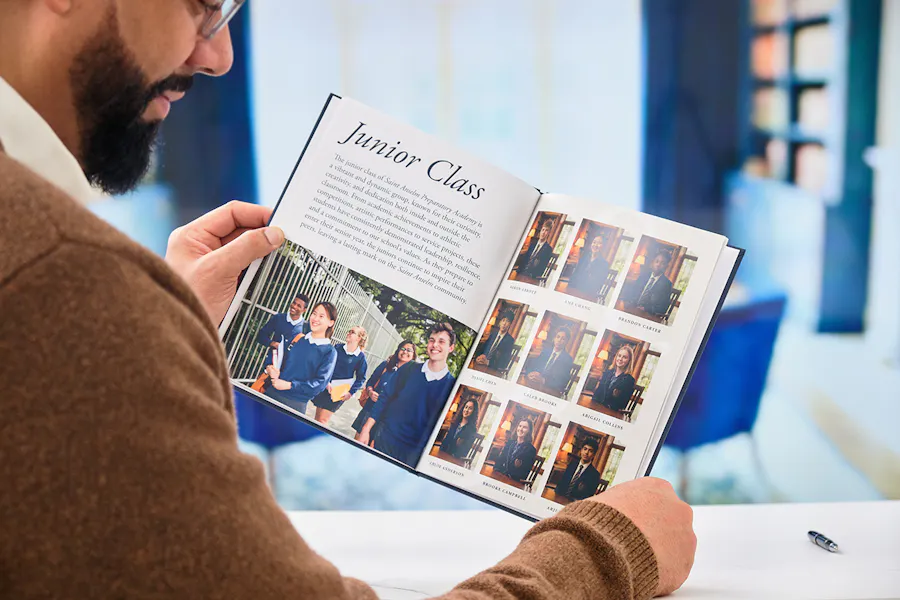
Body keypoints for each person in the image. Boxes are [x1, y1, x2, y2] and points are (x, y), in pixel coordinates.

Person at [0, 2, 697, 597]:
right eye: (204, 5)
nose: (218, 56)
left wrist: (158, 334)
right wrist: (608, 551)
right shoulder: (60, 273)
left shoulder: (55, 278)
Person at [357, 323, 457, 467]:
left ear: (451, 348)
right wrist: (366, 430)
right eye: (431, 340)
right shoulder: (408, 369)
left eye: (441, 341)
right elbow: (384, 399)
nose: (435, 345)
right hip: (385, 441)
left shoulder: (451, 386)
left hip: (412, 455)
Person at [263, 301, 338, 415]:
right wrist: (270, 369)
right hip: (271, 393)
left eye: (321, 316)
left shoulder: (329, 352)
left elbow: (319, 384)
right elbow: (275, 357)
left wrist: (289, 385)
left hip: (293, 405)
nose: (315, 318)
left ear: (331, 322)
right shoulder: (297, 338)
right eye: (314, 313)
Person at [351, 340, 417, 439]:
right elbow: (370, 382)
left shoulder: (412, 376)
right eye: (402, 349)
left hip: (387, 417)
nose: (405, 352)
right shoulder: (386, 365)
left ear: (413, 355)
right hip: (370, 409)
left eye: (409, 350)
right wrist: (370, 392)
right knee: (358, 440)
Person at [312, 326, 368, 425]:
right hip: (326, 387)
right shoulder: (337, 348)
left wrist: (350, 393)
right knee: (317, 418)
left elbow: (361, 378)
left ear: (359, 338)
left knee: (322, 421)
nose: (349, 333)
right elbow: (326, 364)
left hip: (339, 393)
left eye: (353, 332)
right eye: (349, 331)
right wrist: (326, 382)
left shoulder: (360, 357)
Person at [256, 292, 311, 366]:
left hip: (290, 368)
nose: (294, 306)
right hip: (271, 364)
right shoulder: (278, 318)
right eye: (294, 303)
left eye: (299, 306)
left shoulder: (306, 328)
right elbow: (261, 335)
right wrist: (273, 344)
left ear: (304, 310)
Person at [622, 250, 675, 318]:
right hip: (631, 309)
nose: (658, 265)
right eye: (656, 261)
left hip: (647, 315)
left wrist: (646, 309)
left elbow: (663, 309)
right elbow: (631, 292)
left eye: (662, 263)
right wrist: (628, 301)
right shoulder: (643, 276)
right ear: (653, 262)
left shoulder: (667, 284)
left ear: (666, 266)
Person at [524, 327, 576, 395]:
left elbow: (562, 382)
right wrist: (529, 373)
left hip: (550, 390)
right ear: (554, 338)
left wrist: (543, 380)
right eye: (558, 337)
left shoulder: (567, 359)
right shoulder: (545, 351)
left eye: (563, 339)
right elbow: (532, 366)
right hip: (534, 385)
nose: (559, 340)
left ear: (566, 342)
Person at [592, 345, 638, 413]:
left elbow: (623, 404)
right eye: (619, 356)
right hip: (597, 407)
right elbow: (597, 392)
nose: (620, 359)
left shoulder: (629, 380)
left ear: (629, 361)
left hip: (611, 412)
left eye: (624, 357)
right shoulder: (607, 372)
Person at [567, 234, 611, 302]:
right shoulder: (584, 257)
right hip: (574, 290)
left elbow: (597, 285)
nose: (595, 245)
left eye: (599, 243)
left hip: (588, 295)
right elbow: (574, 275)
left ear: (603, 246)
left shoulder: (604, 264)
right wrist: (569, 289)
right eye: (594, 242)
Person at [494, 418, 538, 483]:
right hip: (500, 476)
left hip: (513, 481)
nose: (520, 429)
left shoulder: (531, 450)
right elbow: (500, 460)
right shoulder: (510, 442)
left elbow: (524, 474)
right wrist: (498, 471)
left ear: (529, 431)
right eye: (520, 426)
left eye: (525, 427)